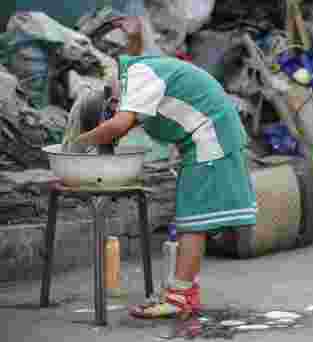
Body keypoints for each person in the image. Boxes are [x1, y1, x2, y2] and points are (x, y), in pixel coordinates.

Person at [72, 16, 256, 319]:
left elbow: (120, 124)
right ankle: (184, 292)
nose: (116, 106)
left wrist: (78, 143)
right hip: (209, 139)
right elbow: (127, 80)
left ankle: (179, 297)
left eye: (114, 101)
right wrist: (132, 36)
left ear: (114, 87)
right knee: (193, 217)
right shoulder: (137, 71)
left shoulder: (139, 76)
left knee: (193, 222)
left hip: (210, 140)